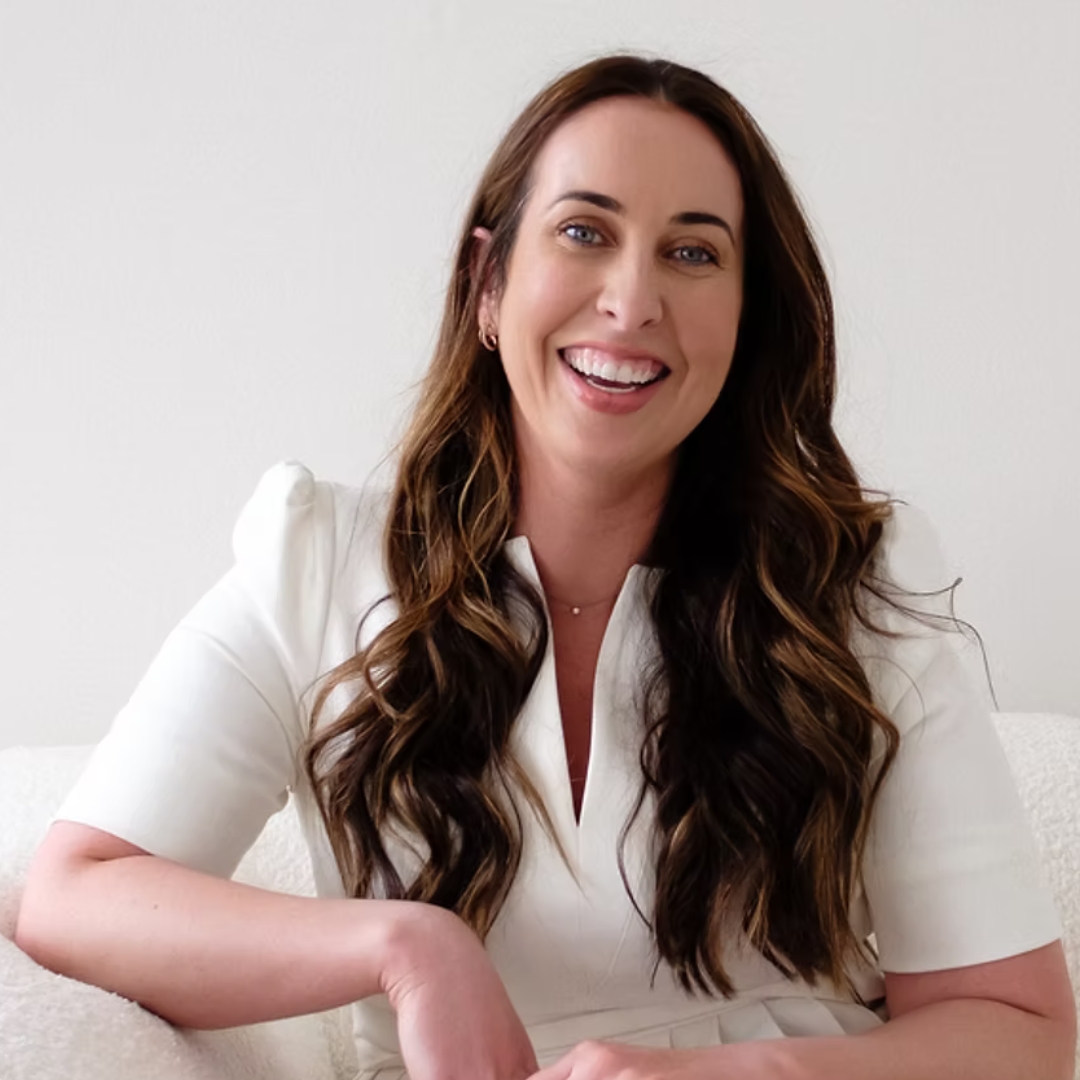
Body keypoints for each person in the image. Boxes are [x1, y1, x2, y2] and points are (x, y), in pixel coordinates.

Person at [14, 54, 1076, 1080]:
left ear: (747, 322)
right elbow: (73, 894)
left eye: (694, 253)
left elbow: (1022, 1033)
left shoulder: (855, 590)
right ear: (487, 283)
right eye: (583, 231)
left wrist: (732, 1075)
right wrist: (407, 946)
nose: (630, 299)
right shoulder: (319, 565)